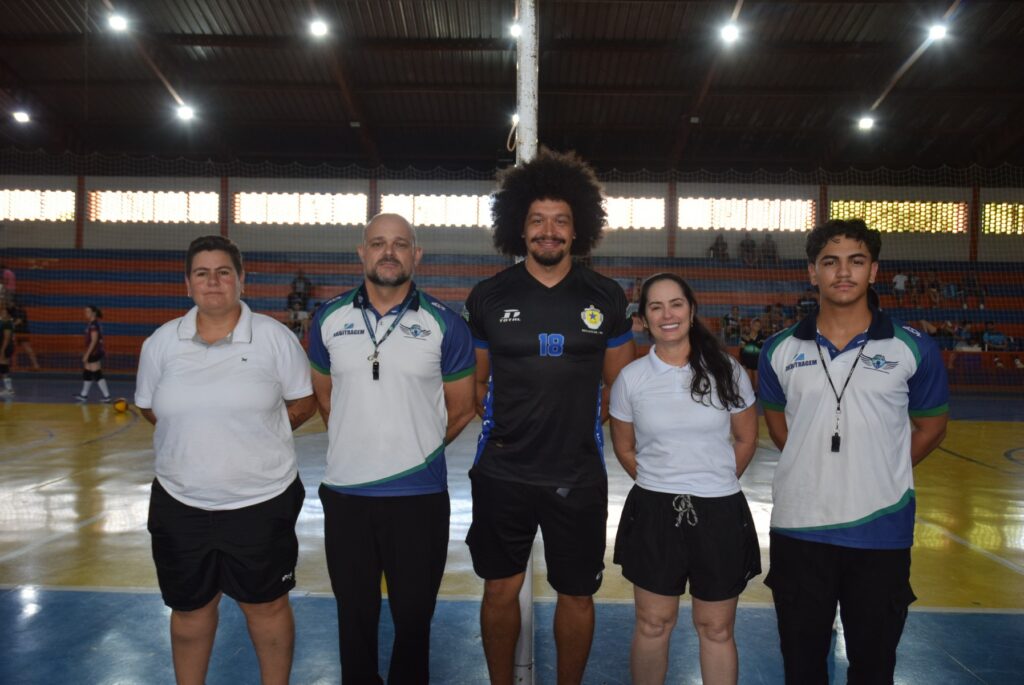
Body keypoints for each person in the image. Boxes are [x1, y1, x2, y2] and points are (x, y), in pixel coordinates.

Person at [463, 149, 635, 685]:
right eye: (537, 220)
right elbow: (478, 382)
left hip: (577, 476)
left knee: (577, 592)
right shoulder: (489, 296)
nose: (549, 230)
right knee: (499, 588)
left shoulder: (606, 297)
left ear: (578, 227)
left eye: (560, 220)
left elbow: (619, 387)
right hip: (502, 472)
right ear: (519, 226)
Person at [758, 219, 949, 684]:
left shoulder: (913, 348)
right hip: (799, 530)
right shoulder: (778, 350)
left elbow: (932, 426)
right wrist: (816, 464)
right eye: (831, 262)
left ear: (874, 271)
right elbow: (781, 427)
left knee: (874, 666)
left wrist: (879, 468)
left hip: (880, 531)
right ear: (812, 272)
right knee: (802, 668)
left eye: (856, 261)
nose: (843, 272)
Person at [134, 235, 317, 685]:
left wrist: (255, 435)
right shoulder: (160, 344)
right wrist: (196, 433)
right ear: (187, 283)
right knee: (190, 609)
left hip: (261, 501)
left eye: (223, 272)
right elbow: (148, 406)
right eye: (202, 273)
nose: (213, 282)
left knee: (267, 606)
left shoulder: (275, 339)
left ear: (241, 279)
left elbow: (304, 401)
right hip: (180, 504)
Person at [308, 213, 476, 684]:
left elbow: (462, 408)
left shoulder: (446, 325)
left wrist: (411, 449)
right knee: (354, 616)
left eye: (400, 244)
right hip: (347, 496)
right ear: (361, 252)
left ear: (416, 255)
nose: (389, 252)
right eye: (378, 243)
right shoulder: (328, 319)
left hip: (419, 498)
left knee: (414, 617)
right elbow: (326, 398)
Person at [609, 273, 760, 685]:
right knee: (653, 623)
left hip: (721, 511)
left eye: (675, 304)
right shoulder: (631, 379)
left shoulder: (728, 371)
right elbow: (624, 447)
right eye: (655, 307)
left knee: (716, 628)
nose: (667, 314)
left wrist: (712, 481)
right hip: (655, 512)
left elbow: (747, 438)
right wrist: (662, 482)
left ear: (691, 311)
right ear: (642, 319)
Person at [73, 304, 112, 403]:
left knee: (97, 373)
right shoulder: (91, 324)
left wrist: (87, 354)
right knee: (88, 371)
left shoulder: (94, 325)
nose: (85, 313)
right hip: (93, 351)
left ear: (93, 313)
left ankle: (107, 396)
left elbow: (94, 341)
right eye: (85, 311)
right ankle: (84, 395)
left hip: (94, 352)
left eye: (88, 312)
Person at [7, 297, 40, 370]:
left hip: (22, 332)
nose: (8, 304)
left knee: (27, 348)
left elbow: (19, 321)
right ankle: (13, 365)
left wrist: (10, 325)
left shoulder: (20, 310)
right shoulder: (11, 310)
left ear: (14, 303)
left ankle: (36, 365)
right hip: (15, 332)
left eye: (10, 303)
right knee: (12, 348)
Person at [738, 317, 765, 389]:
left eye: (758, 326)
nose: (757, 327)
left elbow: (759, 347)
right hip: (747, 361)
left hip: (757, 361)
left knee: (756, 379)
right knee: (748, 379)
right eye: (755, 325)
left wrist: (749, 341)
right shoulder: (744, 337)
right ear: (751, 325)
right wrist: (742, 363)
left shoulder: (762, 337)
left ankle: (756, 394)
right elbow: (741, 351)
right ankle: (750, 394)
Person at [0, 304, 14, 396]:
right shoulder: (2, 322)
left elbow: (7, 338)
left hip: (6, 347)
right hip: (3, 346)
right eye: (2, 311)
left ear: (8, 314)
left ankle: (9, 389)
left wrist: (2, 350)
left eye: (4, 312)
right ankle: (8, 389)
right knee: (3, 367)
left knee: (3, 367)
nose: (2, 313)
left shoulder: (8, 323)